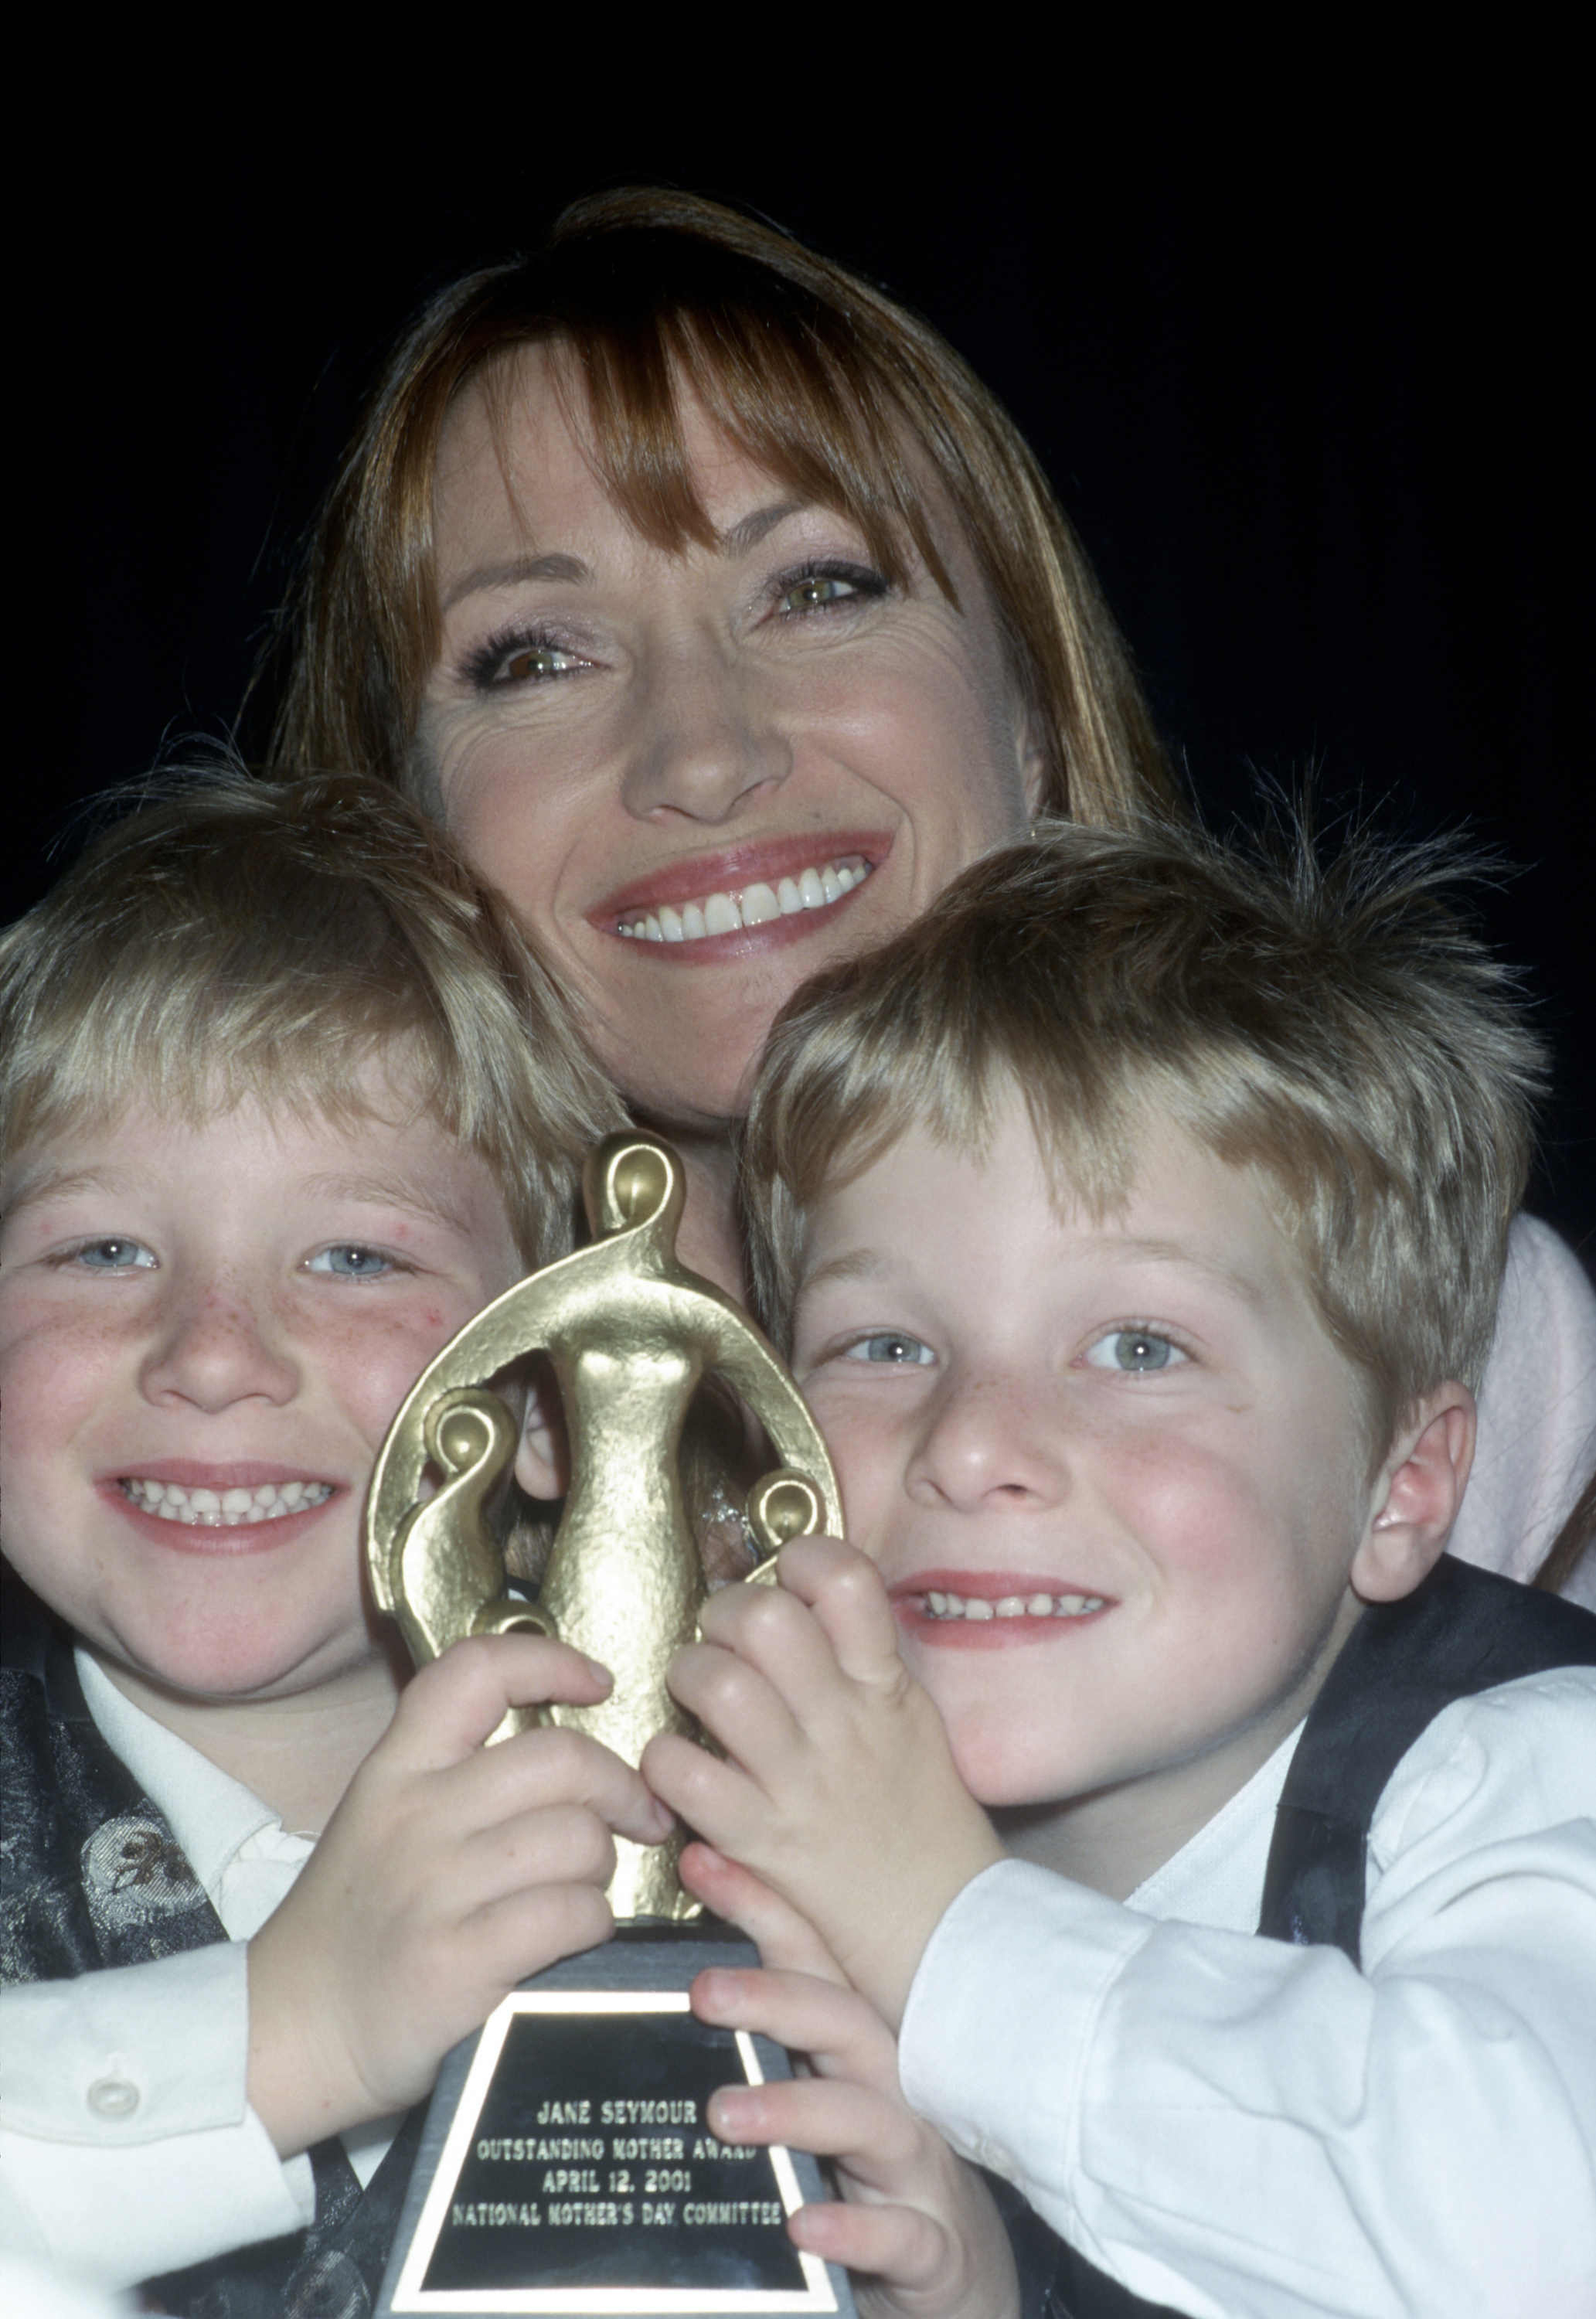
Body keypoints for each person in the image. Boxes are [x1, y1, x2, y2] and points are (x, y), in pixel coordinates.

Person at [259, 186, 1596, 1604]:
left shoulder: (1434, 1329)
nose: (704, 754)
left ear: (1033, 718)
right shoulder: (272, 1433)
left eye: (816, 588)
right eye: (534, 657)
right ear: (397, 827)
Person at [643, 816, 1596, 2318]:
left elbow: (1531, 2239)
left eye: (1138, 1347)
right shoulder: (753, 1798)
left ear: (1399, 1484)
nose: (970, 1444)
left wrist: (945, 1930)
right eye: (885, 1346)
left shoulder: (1528, 1765)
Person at [0, 772, 675, 2306]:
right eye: (102, 1249)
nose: (213, 1352)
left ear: (556, 1390)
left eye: (355, 1255)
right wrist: (279, 2035)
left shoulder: (744, 1837)